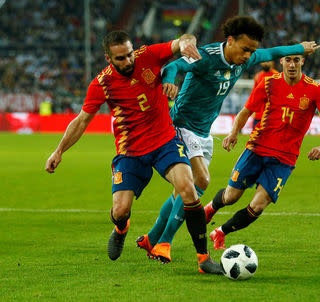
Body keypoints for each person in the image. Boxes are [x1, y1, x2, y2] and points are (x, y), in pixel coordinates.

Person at [136, 15, 320, 263]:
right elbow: (172, 67)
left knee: (186, 191)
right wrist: (169, 82)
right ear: (230, 40)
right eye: (245, 49)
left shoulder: (247, 58)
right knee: (201, 180)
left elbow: (274, 51)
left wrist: (300, 48)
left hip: (203, 132)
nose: (248, 56)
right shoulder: (205, 56)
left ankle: (151, 238)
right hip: (182, 124)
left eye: (251, 51)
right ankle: (164, 243)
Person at [45, 30, 223, 274]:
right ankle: (121, 227)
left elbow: (183, 38)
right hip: (131, 152)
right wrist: (59, 151)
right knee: (120, 210)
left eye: (129, 54)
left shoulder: (148, 55)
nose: (128, 61)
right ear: (108, 58)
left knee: (188, 189)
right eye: (120, 58)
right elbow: (82, 120)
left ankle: (203, 259)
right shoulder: (101, 84)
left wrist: (188, 44)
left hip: (165, 141)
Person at [203, 42, 320, 250]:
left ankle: (220, 232)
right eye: (288, 60)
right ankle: (211, 208)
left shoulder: (315, 90)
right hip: (257, 150)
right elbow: (246, 111)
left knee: (257, 206)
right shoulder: (269, 83)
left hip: (284, 160)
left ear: (302, 61)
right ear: (282, 61)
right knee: (231, 196)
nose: (292, 64)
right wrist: (233, 133)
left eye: (296, 60)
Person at [249, 61, 278, 127]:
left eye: (268, 61)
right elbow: (254, 94)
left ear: (272, 62)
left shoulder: (277, 76)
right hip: (258, 115)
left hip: (271, 116)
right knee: (255, 136)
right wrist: (252, 110)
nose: (265, 63)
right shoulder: (258, 76)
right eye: (264, 61)